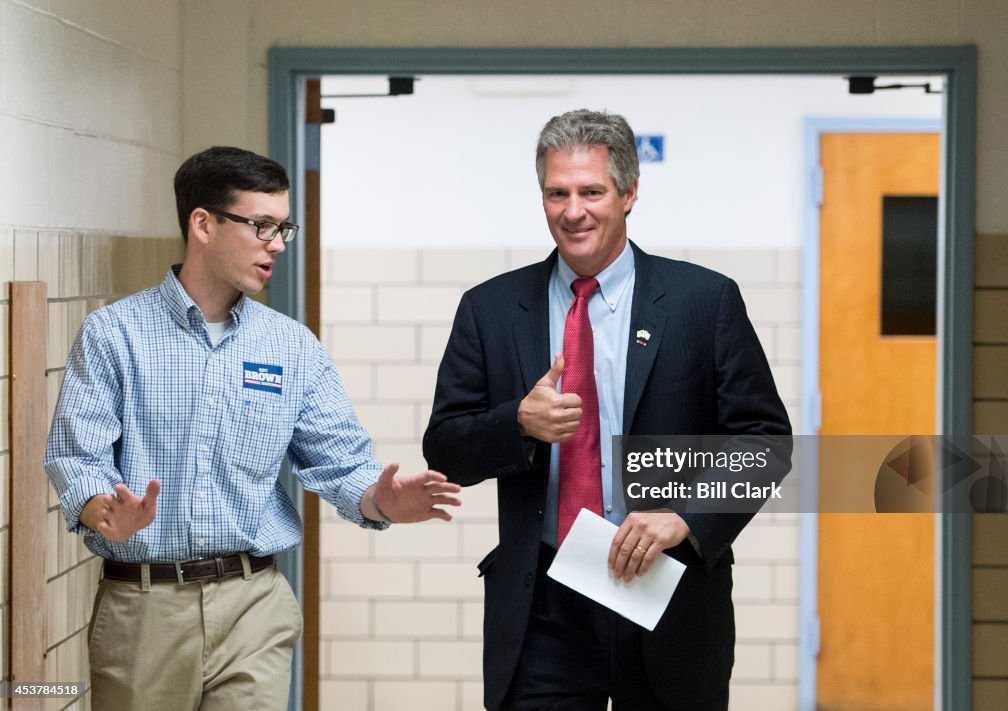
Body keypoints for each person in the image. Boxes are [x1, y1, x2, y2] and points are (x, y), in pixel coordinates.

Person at [45, 146, 461, 711]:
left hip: (254, 605)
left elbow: (340, 463)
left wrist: (381, 500)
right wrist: (103, 509)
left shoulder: (291, 347)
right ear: (204, 224)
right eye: (262, 226)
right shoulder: (115, 334)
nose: (279, 244)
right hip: (143, 608)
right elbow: (77, 457)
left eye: (282, 227)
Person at [423, 109, 791, 710]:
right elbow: (445, 446)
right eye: (556, 193)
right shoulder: (490, 308)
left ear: (629, 194)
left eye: (591, 191)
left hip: (665, 592)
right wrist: (516, 422)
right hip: (542, 603)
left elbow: (766, 441)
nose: (574, 211)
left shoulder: (704, 301)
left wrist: (687, 517)